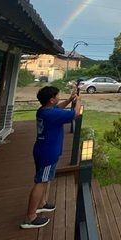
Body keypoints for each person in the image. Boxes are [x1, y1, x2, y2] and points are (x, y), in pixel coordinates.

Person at [20, 86, 81, 229]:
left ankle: (42, 203)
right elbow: (76, 113)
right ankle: (30, 217)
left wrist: (69, 100)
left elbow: (58, 108)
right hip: (48, 153)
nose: (59, 97)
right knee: (40, 181)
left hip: (42, 149)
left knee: (45, 178)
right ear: (51, 100)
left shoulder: (44, 110)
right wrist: (79, 100)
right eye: (58, 96)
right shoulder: (51, 115)